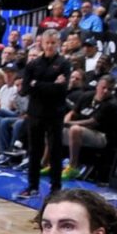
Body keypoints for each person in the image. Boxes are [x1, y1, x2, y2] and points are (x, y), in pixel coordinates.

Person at [19, 30, 71, 200]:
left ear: (58, 44)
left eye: (53, 43)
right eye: (47, 43)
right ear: (41, 43)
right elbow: (25, 89)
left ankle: (56, 188)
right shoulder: (33, 64)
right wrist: (50, 84)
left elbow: (61, 90)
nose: (49, 46)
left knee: (55, 151)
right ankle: (32, 186)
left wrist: (37, 84)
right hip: (35, 113)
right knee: (34, 151)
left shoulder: (64, 63)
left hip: (55, 113)